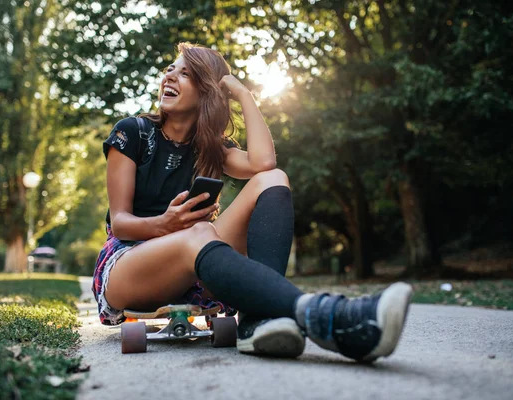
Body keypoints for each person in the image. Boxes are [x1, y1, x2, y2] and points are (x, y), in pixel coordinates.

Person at [92, 42, 413, 362]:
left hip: (194, 257)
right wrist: (166, 224)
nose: (170, 78)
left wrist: (244, 94)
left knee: (273, 180)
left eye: (185, 73)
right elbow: (120, 223)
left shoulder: (213, 148)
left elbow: (264, 164)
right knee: (200, 232)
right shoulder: (132, 132)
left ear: (206, 92)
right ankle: (333, 318)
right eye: (169, 70)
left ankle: (257, 322)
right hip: (128, 264)